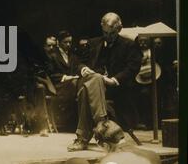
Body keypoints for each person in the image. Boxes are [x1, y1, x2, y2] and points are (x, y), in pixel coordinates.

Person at [67, 12, 142, 151]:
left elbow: (133, 68)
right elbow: (77, 62)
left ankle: (82, 139)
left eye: (111, 33)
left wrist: (114, 80)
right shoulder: (93, 43)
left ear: (119, 29)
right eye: (105, 32)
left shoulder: (129, 45)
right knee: (95, 79)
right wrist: (83, 69)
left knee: (85, 91)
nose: (107, 36)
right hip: (93, 81)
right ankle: (103, 123)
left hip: (115, 89)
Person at [47, 30, 79, 131]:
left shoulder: (73, 56)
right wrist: (65, 77)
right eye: (66, 42)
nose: (68, 44)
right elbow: (50, 74)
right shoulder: (52, 55)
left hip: (72, 84)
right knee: (74, 85)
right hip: (58, 85)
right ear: (59, 43)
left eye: (70, 42)